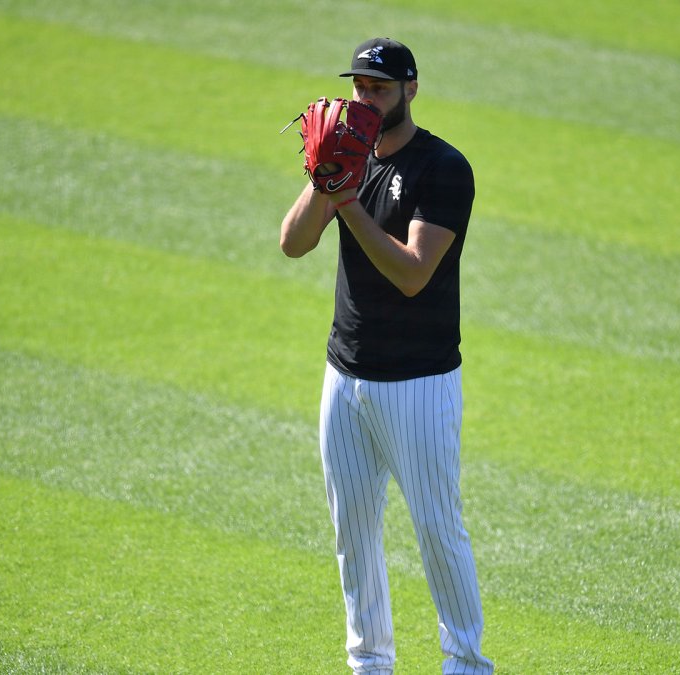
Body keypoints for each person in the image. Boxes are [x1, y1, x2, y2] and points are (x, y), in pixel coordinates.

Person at [280, 37, 494, 675]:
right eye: (358, 87)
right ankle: (370, 663)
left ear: (411, 89)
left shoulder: (444, 168)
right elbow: (293, 244)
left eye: (378, 87)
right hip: (343, 374)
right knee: (352, 531)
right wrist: (326, 181)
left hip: (418, 382)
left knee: (436, 527)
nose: (365, 98)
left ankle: (465, 664)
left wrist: (345, 200)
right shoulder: (347, 155)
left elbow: (411, 272)